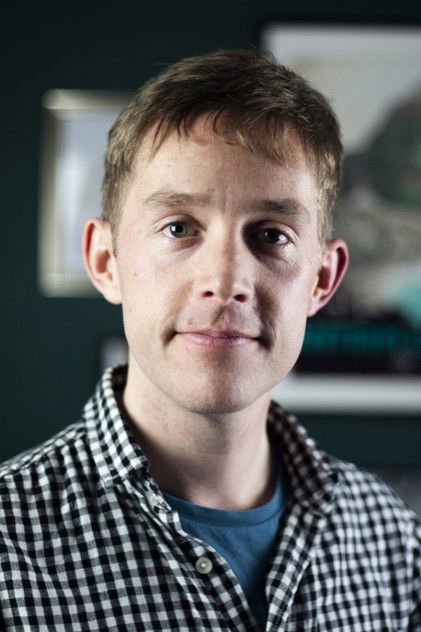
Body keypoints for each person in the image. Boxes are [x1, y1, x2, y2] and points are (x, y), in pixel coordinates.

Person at [0, 48, 419, 631]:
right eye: (178, 228)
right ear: (106, 261)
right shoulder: (9, 542)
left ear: (323, 279)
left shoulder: (391, 542)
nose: (225, 281)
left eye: (271, 235)